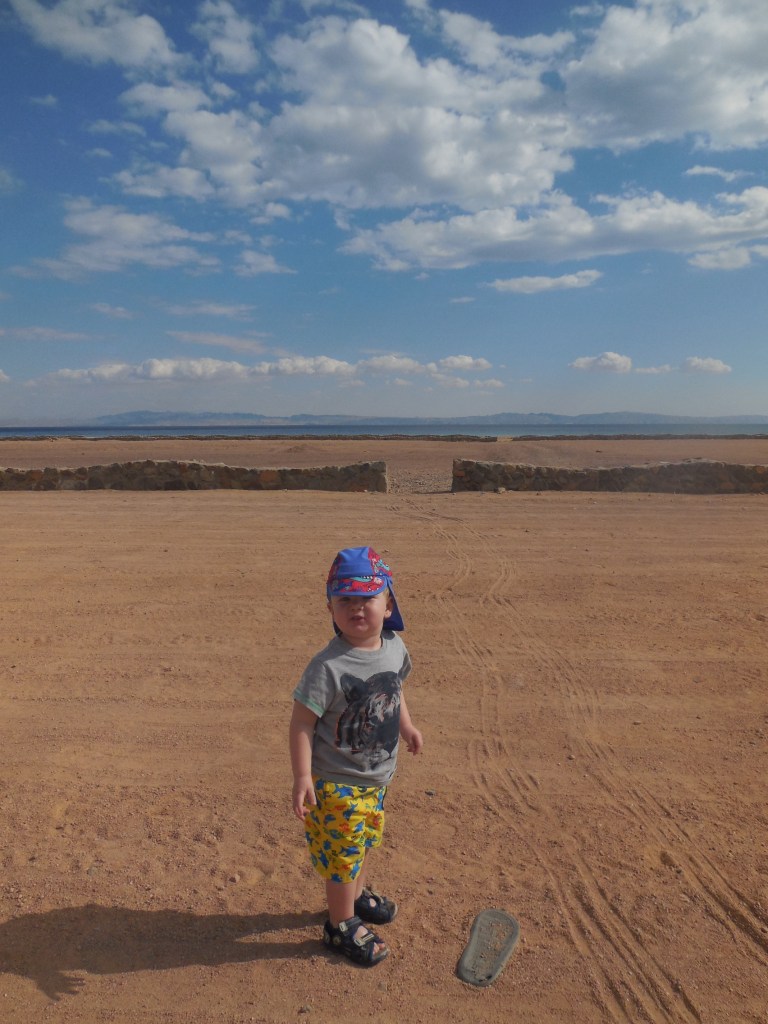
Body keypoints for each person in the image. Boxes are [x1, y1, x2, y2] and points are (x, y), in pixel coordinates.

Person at [289, 546, 423, 967]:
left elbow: (395, 692)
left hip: (377, 778)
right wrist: (303, 776)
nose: (356, 607)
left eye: (366, 597)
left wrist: (407, 726)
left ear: (388, 604)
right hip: (337, 782)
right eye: (344, 598)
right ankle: (340, 924)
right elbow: (301, 724)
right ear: (330, 605)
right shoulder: (326, 667)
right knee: (343, 854)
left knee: (364, 842)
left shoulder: (394, 648)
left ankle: (355, 894)